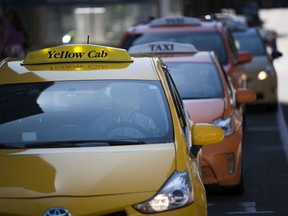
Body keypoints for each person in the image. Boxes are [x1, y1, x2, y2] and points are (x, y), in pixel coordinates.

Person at [91, 85, 159, 138]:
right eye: (134, 95)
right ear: (120, 98)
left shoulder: (147, 123)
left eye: (138, 95)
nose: (139, 99)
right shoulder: (99, 125)